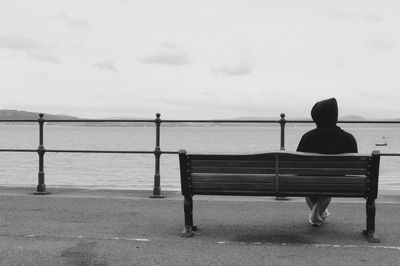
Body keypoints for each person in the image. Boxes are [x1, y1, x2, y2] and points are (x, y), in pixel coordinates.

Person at [296, 98, 358, 226]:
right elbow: (353, 165)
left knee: (310, 180)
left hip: (309, 181)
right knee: (329, 182)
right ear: (335, 115)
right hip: (338, 182)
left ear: (316, 117)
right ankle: (317, 213)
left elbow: (298, 165)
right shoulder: (348, 138)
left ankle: (316, 213)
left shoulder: (308, 137)